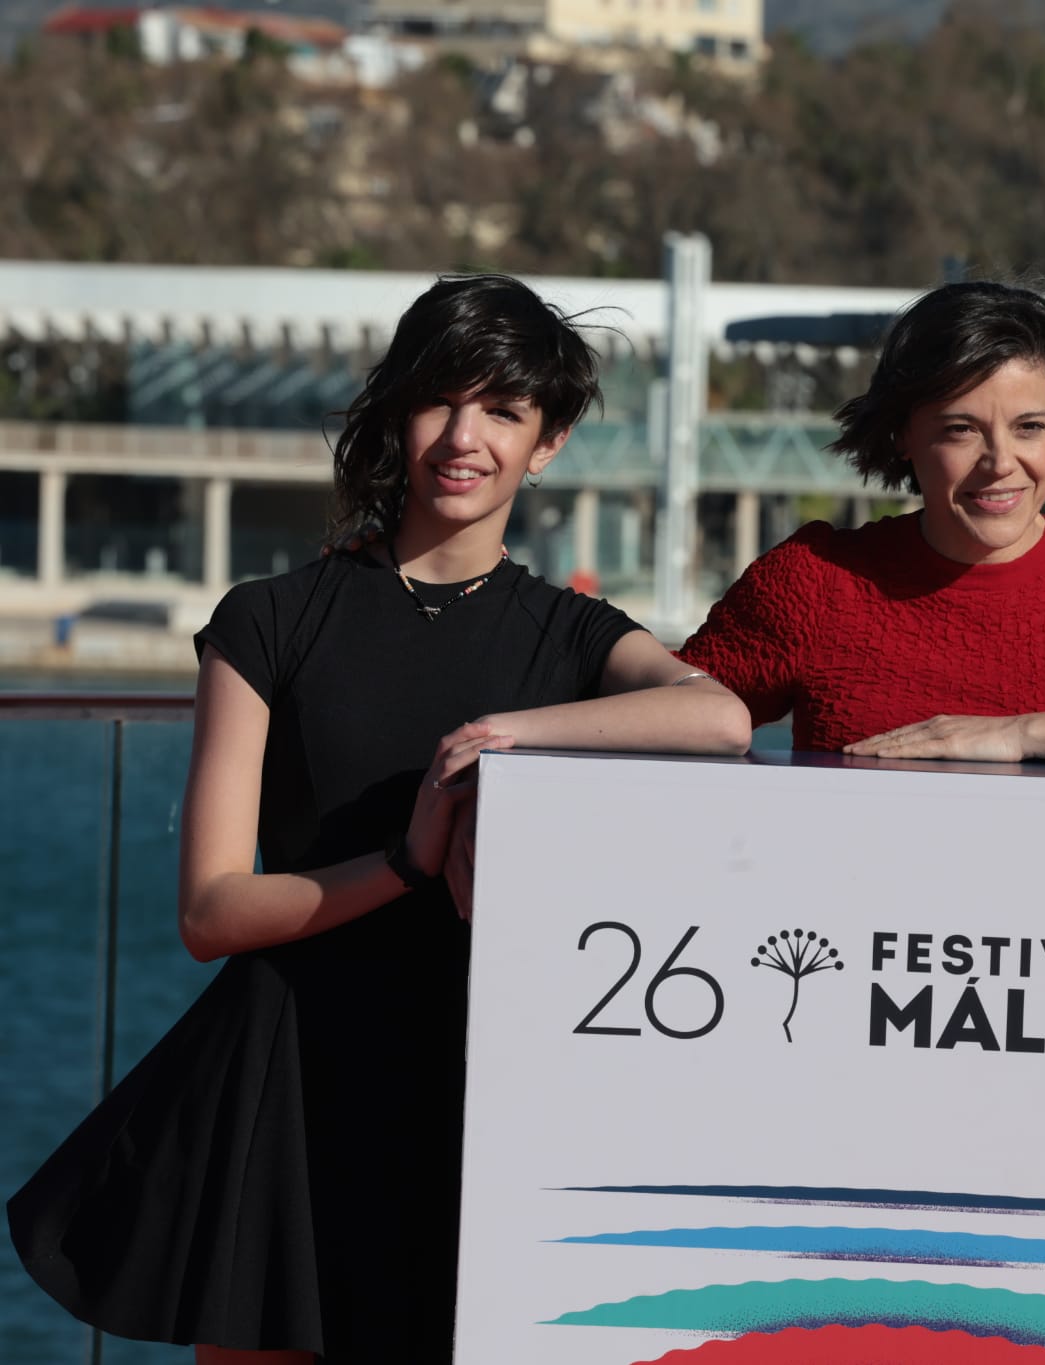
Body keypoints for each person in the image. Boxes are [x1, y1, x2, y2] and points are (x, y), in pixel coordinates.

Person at [8, 274, 752, 1365]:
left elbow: (722, 721)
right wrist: (405, 860)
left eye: (502, 411)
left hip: (475, 1081)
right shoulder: (269, 621)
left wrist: (507, 734)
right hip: (285, 1082)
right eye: (438, 400)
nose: (464, 437)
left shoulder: (573, 638)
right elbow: (212, 912)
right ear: (396, 411)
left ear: (546, 444)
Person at [681, 280, 1045, 769]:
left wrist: (1023, 735)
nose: (1000, 463)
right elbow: (672, 716)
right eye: (960, 429)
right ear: (901, 437)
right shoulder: (814, 582)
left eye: (1029, 427)